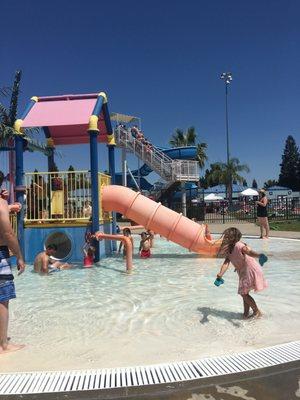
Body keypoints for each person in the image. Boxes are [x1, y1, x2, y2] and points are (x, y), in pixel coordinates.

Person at [215, 227, 267, 319]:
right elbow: (226, 263)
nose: (226, 238)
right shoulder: (229, 249)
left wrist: (259, 255)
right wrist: (220, 273)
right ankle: (245, 314)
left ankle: (257, 312)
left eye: (228, 237)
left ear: (234, 238)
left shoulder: (239, 245)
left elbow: (249, 252)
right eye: (226, 236)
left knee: (243, 293)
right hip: (243, 271)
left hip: (250, 269)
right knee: (245, 293)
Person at [0, 170, 26, 354]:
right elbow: (8, 234)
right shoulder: (1, 204)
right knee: (2, 300)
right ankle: (3, 345)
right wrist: (19, 256)